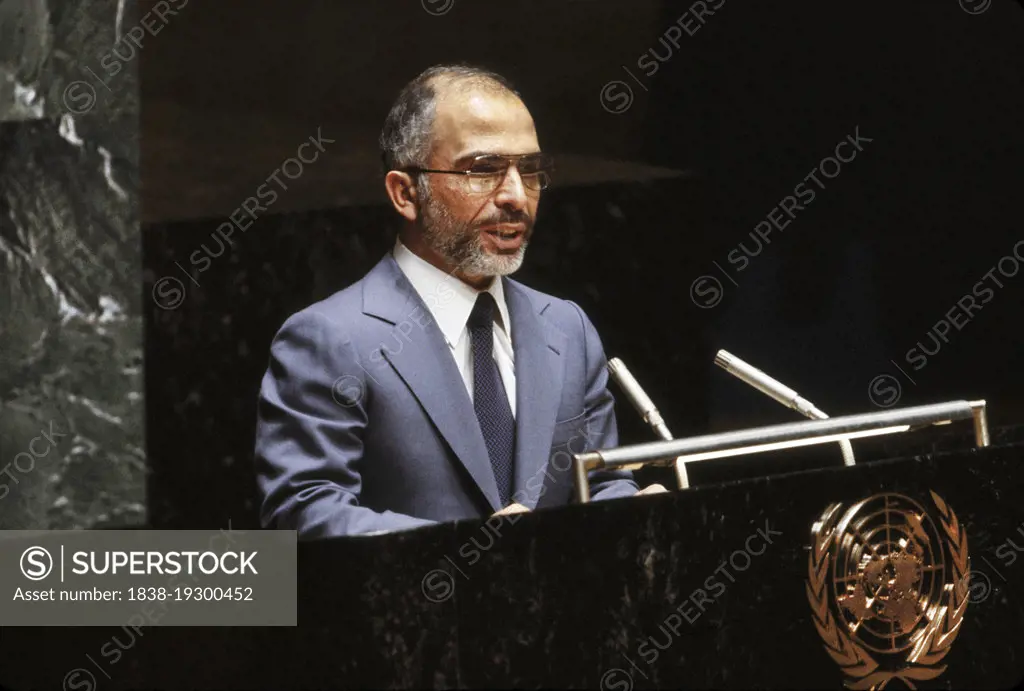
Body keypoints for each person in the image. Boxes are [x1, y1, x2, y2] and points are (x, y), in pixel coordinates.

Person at [254, 64, 665, 538]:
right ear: (406, 193)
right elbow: (305, 513)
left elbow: (598, 484)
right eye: (484, 170)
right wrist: (466, 555)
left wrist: (632, 513)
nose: (516, 196)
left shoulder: (566, 327)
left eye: (529, 170)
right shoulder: (331, 338)